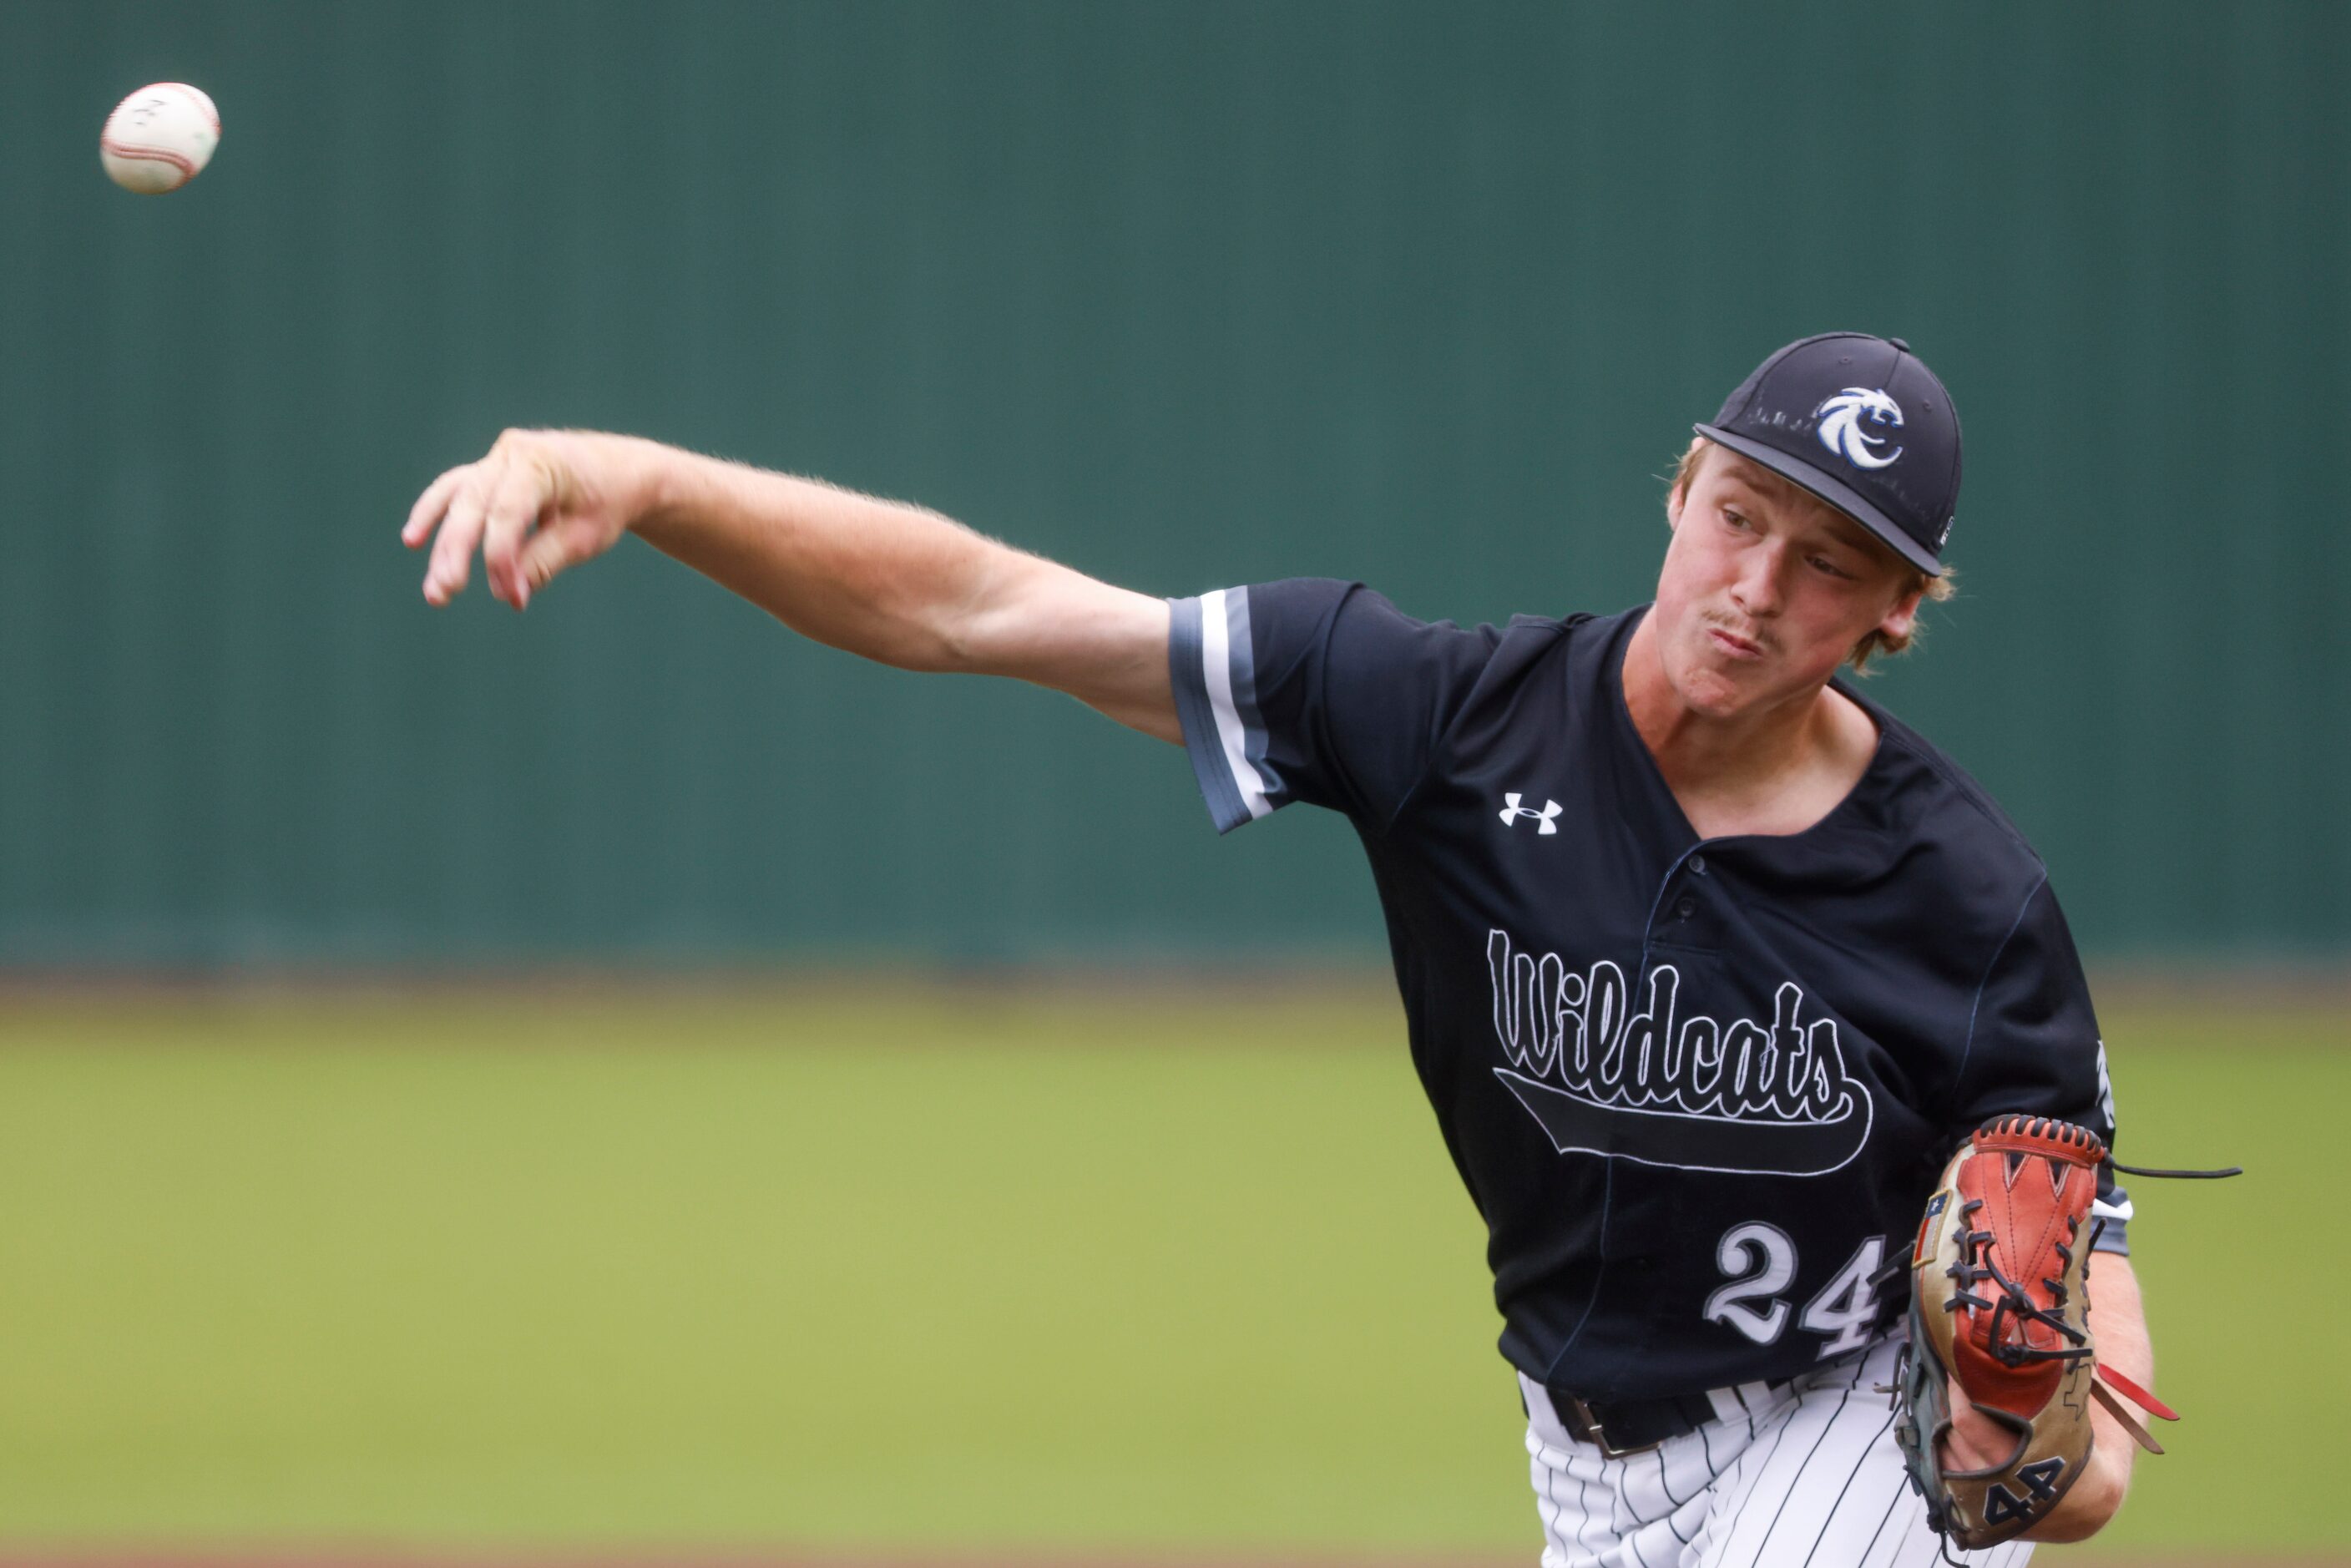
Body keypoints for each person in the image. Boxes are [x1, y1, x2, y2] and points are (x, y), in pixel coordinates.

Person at [403, 333, 2147, 1565]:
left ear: (1897, 613)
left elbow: (2090, 1366)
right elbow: (975, 606)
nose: (1757, 584)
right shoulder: (1443, 716)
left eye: (1828, 562)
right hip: (1589, 1456)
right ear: (1680, 487)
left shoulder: (1969, 901)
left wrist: (2050, 1453)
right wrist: (644, 479)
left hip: (1838, 1425)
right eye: (1740, 515)